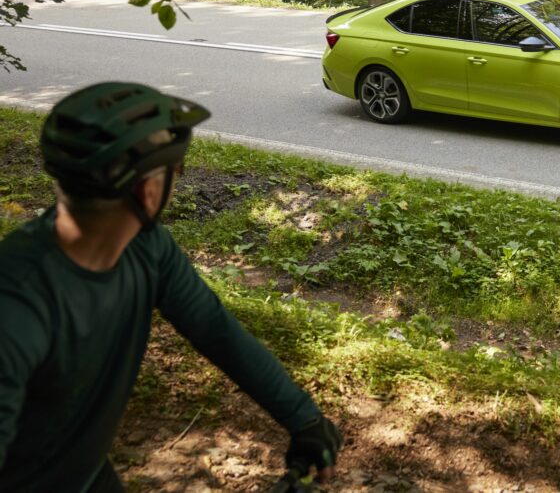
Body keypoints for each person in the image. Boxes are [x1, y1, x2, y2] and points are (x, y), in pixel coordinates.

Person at [0, 82, 341, 492]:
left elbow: (214, 328)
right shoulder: (16, 304)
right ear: (148, 190)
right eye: (175, 170)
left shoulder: (146, 246)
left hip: (84, 471)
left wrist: (304, 418)